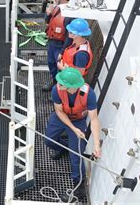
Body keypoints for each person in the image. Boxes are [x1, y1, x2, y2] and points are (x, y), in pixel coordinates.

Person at [44, 68, 101, 200]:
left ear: (72, 87)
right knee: (49, 140)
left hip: (78, 120)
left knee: (76, 154)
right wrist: (73, 129)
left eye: (62, 83)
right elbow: (59, 111)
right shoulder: (56, 90)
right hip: (62, 117)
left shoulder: (89, 94)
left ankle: (78, 184)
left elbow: (94, 119)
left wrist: (96, 144)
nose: (58, 84)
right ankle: (64, 148)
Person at [42, 0, 73, 91]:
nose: (55, 0)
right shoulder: (57, 8)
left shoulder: (69, 15)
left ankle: (60, 89)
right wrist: (48, 14)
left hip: (60, 45)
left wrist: (63, 51)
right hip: (52, 43)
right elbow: (48, 21)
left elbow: (69, 36)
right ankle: (54, 82)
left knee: (60, 68)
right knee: (51, 63)